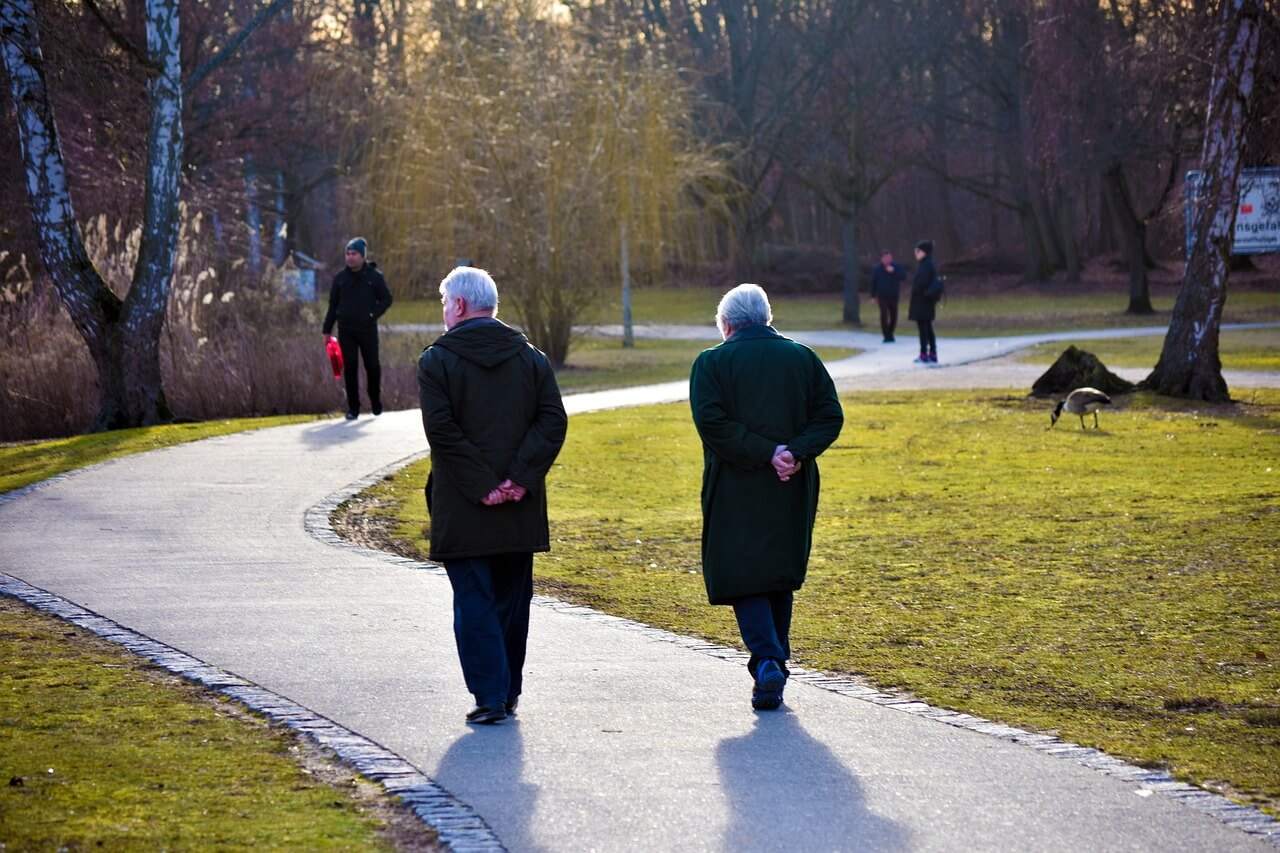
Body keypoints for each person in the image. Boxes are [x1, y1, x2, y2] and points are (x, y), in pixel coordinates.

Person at [418, 266, 568, 725]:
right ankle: (506, 692)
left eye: (445, 303)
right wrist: (518, 480)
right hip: (519, 508)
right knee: (510, 600)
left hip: (463, 506)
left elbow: (442, 431)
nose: (444, 312)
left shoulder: (436, 361)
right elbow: (552, 421)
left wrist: (485, 486)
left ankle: (490, 695)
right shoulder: (532, 359)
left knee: (474, 600)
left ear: (459, 305)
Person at [689, 283, 844, 711]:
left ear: (726, 324)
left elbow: (712, 423)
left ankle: (768, 660)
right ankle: (773, 661)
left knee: (744, 572)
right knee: (777, 569)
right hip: (791, 481)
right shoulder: (802, 357)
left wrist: (764, 452)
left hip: (736, 484)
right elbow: (830, 416)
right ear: (767, 318)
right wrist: (792, 451)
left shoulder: (711, 363)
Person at [323, 237, 393, 419]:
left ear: (362, 256)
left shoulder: (374, 277)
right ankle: (353, 408)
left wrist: (373, 314)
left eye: (354, 254)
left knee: (372, 366)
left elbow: (386, 298)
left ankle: (375, 400)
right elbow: (333, 305)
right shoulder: (340, 279)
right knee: (350, 368)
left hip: (368, 330)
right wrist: (327, 330)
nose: (350, 257)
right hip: (346, 330)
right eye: (348, 254)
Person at [908, 239, 942, 364]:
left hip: (923, 302)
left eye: (918, 251)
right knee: (927, 328)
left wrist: (916, 290)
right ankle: (932, 353)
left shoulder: (926, 265)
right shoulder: (928, 264)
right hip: (926, 302)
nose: (916, 253)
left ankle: (924, 354)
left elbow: (921, 283)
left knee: (924, 329)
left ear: (925, 252)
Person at [868, 249, 907, 343]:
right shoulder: (877, 270)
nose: (887, 260)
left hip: (894, 295)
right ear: (882, 259)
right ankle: (886, 335)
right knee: (884, 315)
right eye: (885, 258)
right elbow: (873, 283)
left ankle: (890, 333)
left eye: (889, 258)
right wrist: (873, 296)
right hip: (882, 296)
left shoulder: (896, 267)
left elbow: (903, 277)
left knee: (894, 316)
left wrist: (893, 271)